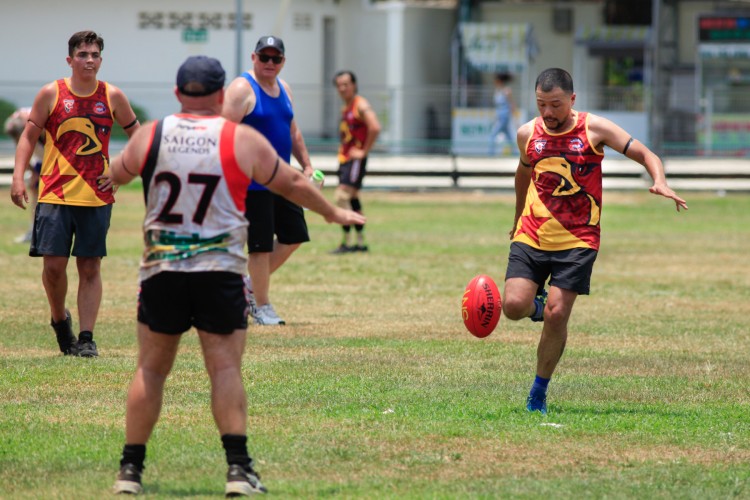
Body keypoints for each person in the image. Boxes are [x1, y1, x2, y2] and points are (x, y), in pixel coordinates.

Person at [109, 55, 365, 497]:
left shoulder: (151, 135)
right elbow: (292, 182)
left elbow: (114, 175)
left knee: (150, 371)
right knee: (224, 368)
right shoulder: (239, 139)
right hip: (219, 272)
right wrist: (333, 211)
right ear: (221, 94)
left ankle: (129, 473)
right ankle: (238, 471)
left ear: (176, 95)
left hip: (162, 270)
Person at [503, 68, 688, 415]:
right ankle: (537, 307)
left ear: (572, 100)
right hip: (532, 233)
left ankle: (538, 394)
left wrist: (659, 180)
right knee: (513, 306)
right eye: (541, 104)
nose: (548, 113)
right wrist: (516, 220)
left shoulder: (594, 129)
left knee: (559, 314)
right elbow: (523, 175)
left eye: (555, 105)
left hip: (578, 239)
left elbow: (646, 154)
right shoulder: (528, 133)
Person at [9, 30, 139, 357]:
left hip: (97, 195)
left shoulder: (113, 96)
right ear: (70, 59)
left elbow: (140, 137)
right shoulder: (51, 93)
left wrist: (124, 171)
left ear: (101, 60)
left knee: (90, 267)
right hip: (54, 193)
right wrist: (18, 178)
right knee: (53, 266)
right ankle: (59, 320)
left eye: (95, 54)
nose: (89, 60)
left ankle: (86, 338)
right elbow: (28, 138)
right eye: (83, 54)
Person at [222, 35, 314, 325]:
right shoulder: (241, 89)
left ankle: (247, 285)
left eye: (276, 58)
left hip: (283, 179)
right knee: (259, 246)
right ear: (254, 58)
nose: (270, 63)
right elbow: (222, 134)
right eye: (265, 57)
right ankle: (261, 306)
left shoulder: (283, 88)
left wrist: (307, 166)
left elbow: (293, 131)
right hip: (252, 183)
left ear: (283, 62)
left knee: (295, 236)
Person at [330, 70, 381, 254]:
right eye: (339, 85)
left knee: (341, 197)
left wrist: (363, 151)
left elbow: (375, 126)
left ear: (354, 85)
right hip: (345, 159)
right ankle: (359, 242)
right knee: (352, 198)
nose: (343, 88)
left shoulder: (360, 104)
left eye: (346, 84)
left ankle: (349, 241)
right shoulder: (347, 107)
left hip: (355, 159)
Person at [4, 107, 43, 243]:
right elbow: (21, 150)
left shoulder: (38, 121)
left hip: (56, 159)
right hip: (42, 160)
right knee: (37, 194)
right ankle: (34, 231)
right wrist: (34, 172)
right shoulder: (18, 122)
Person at [489, 72, 517, 156]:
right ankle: (515, 154)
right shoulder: (497, 91)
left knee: (493, 135)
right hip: (500, 116)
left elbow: (512, 104)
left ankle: (490, 154)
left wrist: (516, 119)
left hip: (504, 117)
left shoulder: (506, 91)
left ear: (499, 81)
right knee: (509, 137)